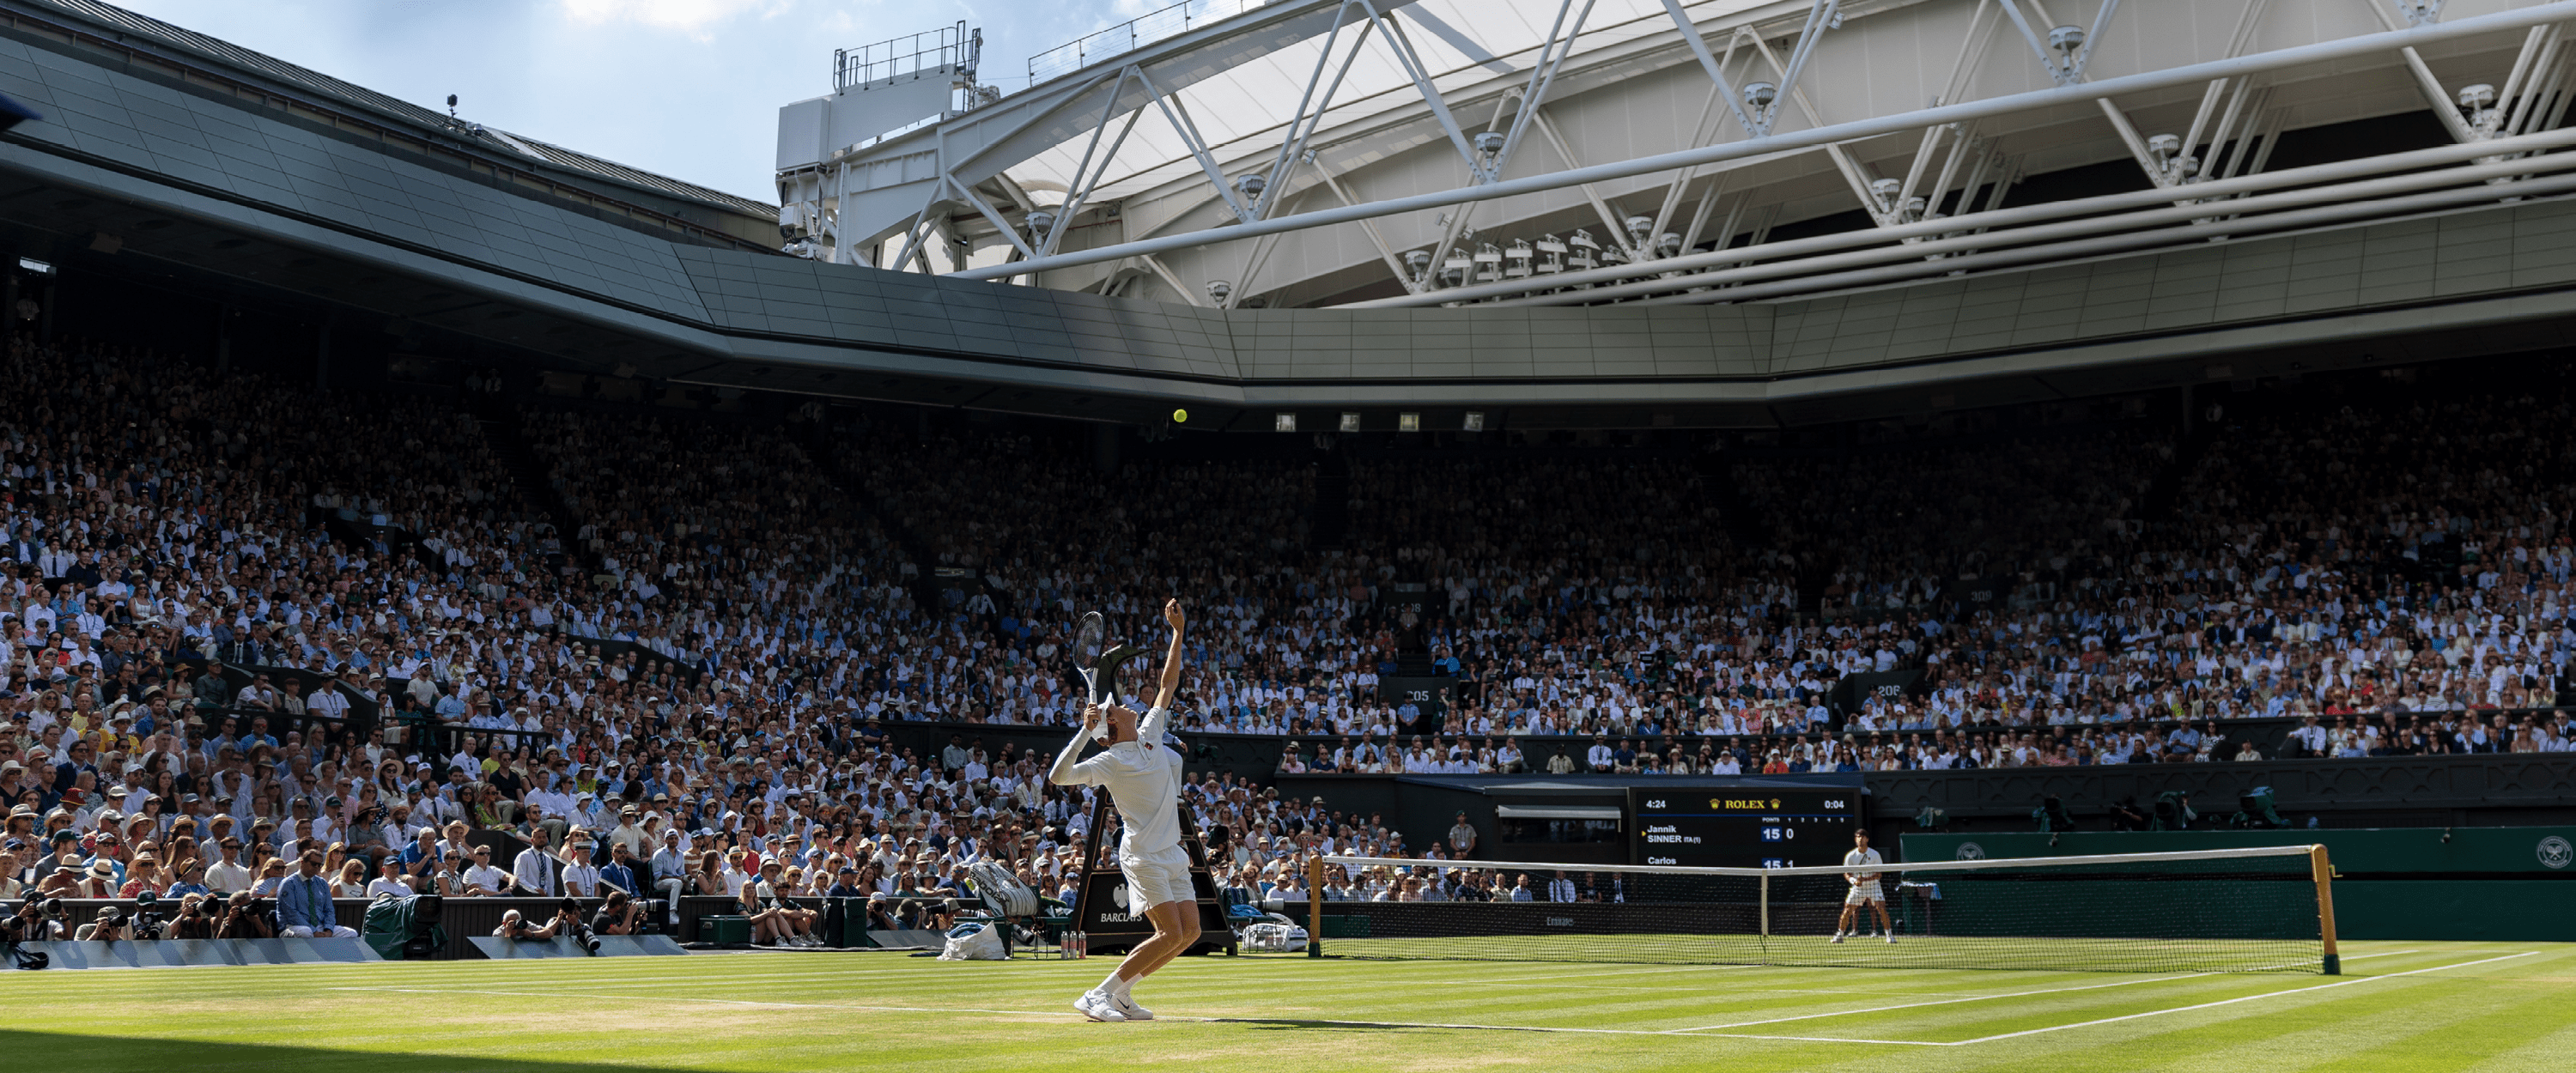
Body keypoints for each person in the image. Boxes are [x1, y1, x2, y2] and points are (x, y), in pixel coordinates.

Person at [1049, 598, 1194, 1023]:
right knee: (1168, 932)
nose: (1124, 703)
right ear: (1112, 727)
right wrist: (1082, 731)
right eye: (1115, 707)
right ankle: (1098, 994)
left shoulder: (1149, 730)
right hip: (1144, 855)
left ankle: (1124, 994)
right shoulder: (1110, 761)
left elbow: (1167, 685)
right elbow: (1060, 776)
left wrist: (1177, 634)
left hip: (1172, 851)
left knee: (1190, 933)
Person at [278, 848, 359, 938]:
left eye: (319, 865)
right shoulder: (288, 883)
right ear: (302, 862)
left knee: (351, 933)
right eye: (313, 864)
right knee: (305, 932)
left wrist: (329, 930)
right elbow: (291, 914)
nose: (316, 867)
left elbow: (329, 910)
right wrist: (314, 931)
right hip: (293, 926)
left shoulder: (322, 883)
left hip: (320, 926)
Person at [1832, 830, 1893, 944]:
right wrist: (1854, 881)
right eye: (1858, 837)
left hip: (1874, 887)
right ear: (1855, 839)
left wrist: (1864, 879)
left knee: (1881, 909)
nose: (1860, 839)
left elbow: (1879, 874)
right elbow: (1846, 873)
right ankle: (1840, 935)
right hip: (1858, 888)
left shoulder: (1875, 855)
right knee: (1847, 910)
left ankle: (1889, 935)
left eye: (1863, 837)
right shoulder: (1850, 856)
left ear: (1867, 839)